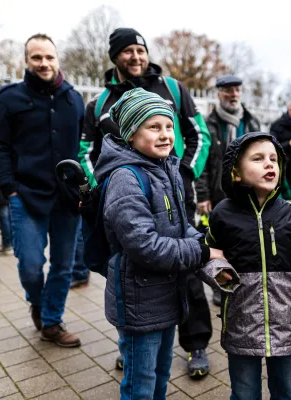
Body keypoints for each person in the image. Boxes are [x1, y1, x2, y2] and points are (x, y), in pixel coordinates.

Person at [76, 27, 214, 377]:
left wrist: (183, 173)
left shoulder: (172, 89)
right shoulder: (99, 104)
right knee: (131, 269)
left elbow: (201, 134)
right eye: (128, 51)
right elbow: (86, 152)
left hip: (177, 191)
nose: (136, 56)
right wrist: (103, 187)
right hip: (129, 197)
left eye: (141, 50)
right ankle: (134, 343)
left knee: (187, 263)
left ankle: (195, 343)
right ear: (115, 57)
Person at [199, 132, 291, 399]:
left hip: (287, 325)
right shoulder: (222, 214)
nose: (269, 164)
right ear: (235, 172)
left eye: (274, 159)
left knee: (287, 391)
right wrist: (221, 276)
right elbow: (209, 254)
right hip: (241, 325)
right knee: (244, 393)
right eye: (258, 159)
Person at [94, 88, 221, 400]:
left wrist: (207, 245)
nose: (166, 135)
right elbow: (145, 246)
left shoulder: (167, 170)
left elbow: (181, 229)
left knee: (161, 374)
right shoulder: (125, 178)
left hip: (166, 296)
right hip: (140, 301)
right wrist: (201, 251)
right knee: (141, 383)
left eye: (169, 126)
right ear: (131, 134)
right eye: (154, 127)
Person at [0, 33, 85, 347]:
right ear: (26, 61)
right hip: (25, 195)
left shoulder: (74, 99)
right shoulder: (9, 97)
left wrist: (84, 189)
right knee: (30, 265)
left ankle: (51, 322)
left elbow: (84, 148)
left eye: (49, 57)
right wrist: (10, 188)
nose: (44, 63)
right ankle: (37, 302)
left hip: (67, 199)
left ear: (57, 60)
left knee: (63, 265)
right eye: (37, 58)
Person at [195, 75, 260, 306]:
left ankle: (244, 285)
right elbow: (202, 162)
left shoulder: (251, 122)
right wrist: (202, 195)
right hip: (217, 193)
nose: (233, 94)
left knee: (244, 240)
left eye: (237, 90)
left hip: (247, 192)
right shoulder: (209, 123)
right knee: (217, 242)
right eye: (228, 90)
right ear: (218, 94)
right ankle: (218, 285)